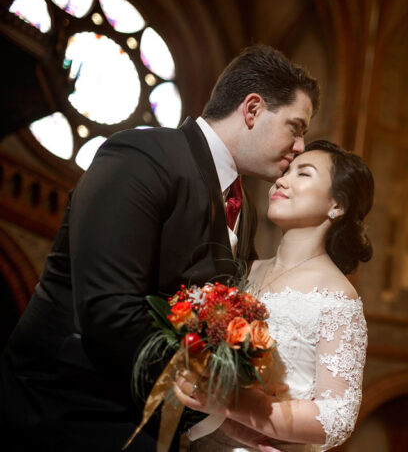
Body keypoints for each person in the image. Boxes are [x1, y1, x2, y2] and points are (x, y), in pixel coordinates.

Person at [0, 45, 319, 451]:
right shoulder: (141, 156)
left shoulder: (246, 208)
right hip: (63, 410)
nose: (300, 146)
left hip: (149, 424)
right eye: (296, 126)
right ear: (252, 109)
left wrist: (226, 418)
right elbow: (108, 308)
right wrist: (214, 405)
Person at [174, 139, 373, 452]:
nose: (282, 180)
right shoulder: (242, 269)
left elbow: (337, 418)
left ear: (338, 205)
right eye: (286, 171)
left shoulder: (337, 296)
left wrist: (232, 402)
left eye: (303, 174)